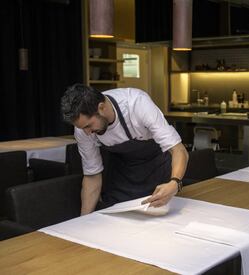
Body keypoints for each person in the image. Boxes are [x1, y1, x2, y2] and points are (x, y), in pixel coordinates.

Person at [61, 84, 188, 215]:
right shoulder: (82, 129)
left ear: (101, 108)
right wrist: (84, 219)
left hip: (157, 170)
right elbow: (92, 176)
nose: (87, 133)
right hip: (123, 176)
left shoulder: (137, 104)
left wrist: (174, 183)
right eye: (83, 128)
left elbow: (178, 150)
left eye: (89, 126)